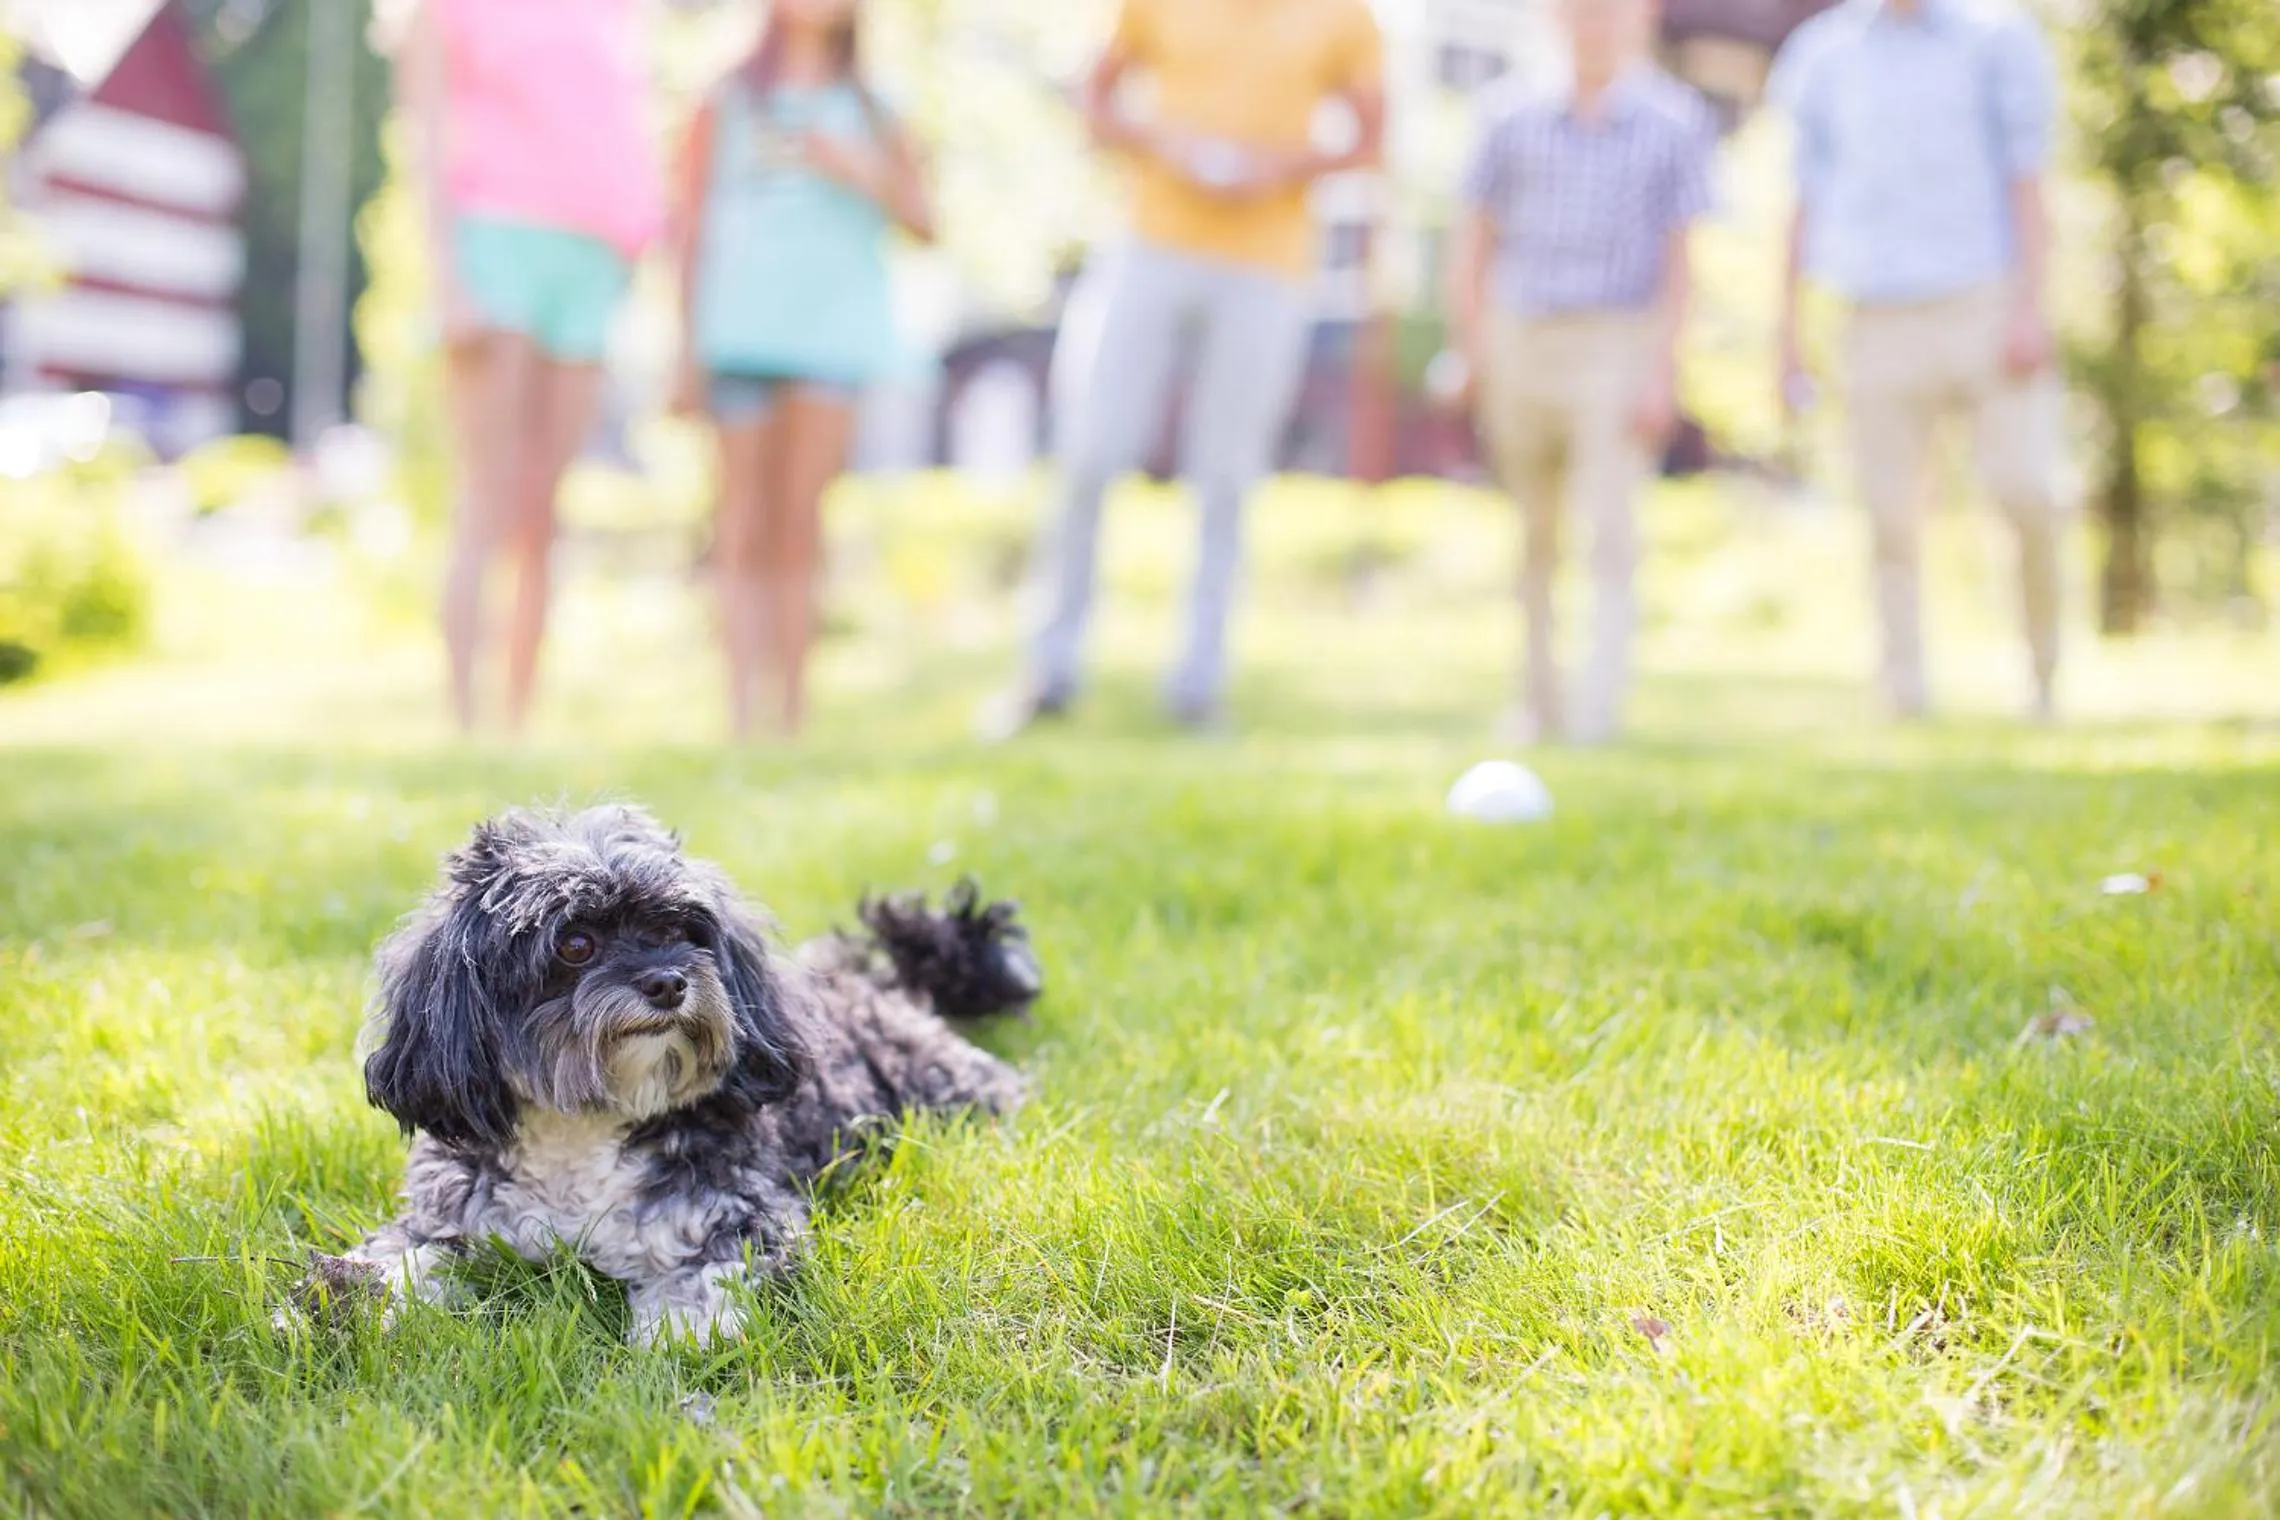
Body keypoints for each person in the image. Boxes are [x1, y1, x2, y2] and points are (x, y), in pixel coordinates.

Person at [986, 0, 1386, 737]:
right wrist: (1163, 144)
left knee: (1228, 476)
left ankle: (1200, 684)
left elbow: (1371, 140)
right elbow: (1094, 99)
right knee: (1089, 453)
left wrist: (1279, 167)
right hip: (1150, 245)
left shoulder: (1345, 15)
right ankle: (1050, 670)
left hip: (1267, 266)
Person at [1771, 0, 2064, 721]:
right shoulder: (1821, 54)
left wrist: (2032, 306)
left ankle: (2043, 680)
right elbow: (1801, 201)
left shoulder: (2000, 38)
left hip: (1985, 300)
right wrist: (1786, 334)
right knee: (1888, 516)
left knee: (2025, 490)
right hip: (1873, 313)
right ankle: (1903, 691)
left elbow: (2029, 181)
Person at [1448, 0, 1715, 746]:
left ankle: (1599, 707)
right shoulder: (1508, 114)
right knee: (1532, 535)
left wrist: (1665, 371)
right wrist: (1473, 351)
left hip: (1618, 340)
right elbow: (1473, 240)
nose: (1594, 21)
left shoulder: (1672, 121)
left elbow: (1681, 262)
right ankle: (1535, 702)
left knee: (1609, 528)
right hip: (1523, 335)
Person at [397, 0, 663, 734]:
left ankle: (517, 725)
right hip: (497, 241)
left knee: (546, 508)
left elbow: (621, 122)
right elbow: (425, 137)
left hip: (592, 257)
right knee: (486, 494)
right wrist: (447, 280)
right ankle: (464, 722)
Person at [670, 0, 933, 739]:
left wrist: (859, 169)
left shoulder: (878, 107)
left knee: (800, 524)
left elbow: (925, 220)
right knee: (742, 520)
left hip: (831, 341)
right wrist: (682, 350)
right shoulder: (724, 97)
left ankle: (791, 713)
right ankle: (739, 713)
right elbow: (688, 227)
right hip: (739, 334)